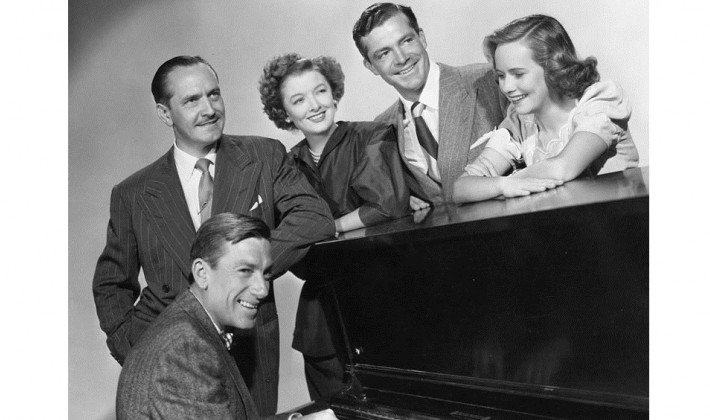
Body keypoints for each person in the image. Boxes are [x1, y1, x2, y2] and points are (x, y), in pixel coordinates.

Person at [93, 55, 335, 415]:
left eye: (214, 94)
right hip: (174, 350)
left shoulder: (264, 155)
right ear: (164, 113)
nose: (209, 109)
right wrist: (138, 347)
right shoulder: (134, 193)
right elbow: (111, 284)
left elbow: (313, 217)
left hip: (251, 344)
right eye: (192, 100)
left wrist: (244, 269)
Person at [258, 53, 410, 399]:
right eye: (298, 100)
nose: (314, 105)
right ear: (284, 113)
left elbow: (387, 205)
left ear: (334, 93)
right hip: (321, 318)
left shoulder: (371, 136)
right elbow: (287, 238)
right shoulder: (285, 164)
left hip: (385, 296)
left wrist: (326, 226)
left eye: (321, 91)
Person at [116, 213, 337, 420]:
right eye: (245, 271)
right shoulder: (185, 349)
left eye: (266, 273)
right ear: (202, 273)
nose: (262, 289)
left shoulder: (192, 326)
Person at [453, 15, 639, 204]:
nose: (506, 86)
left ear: (553, 67)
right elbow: (461, 188)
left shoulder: (598, 103)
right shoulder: (519, 124)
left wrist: (495, 186)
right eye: (501, 76)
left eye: (518, 74)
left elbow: (562, 168)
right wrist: (503, 186)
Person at [352, 2, 508, 206]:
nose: (401, 58)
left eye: (406, 41)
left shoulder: (488, 80)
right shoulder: (382, 129)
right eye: (384, 53)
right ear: (371, 66)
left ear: (422, 38)